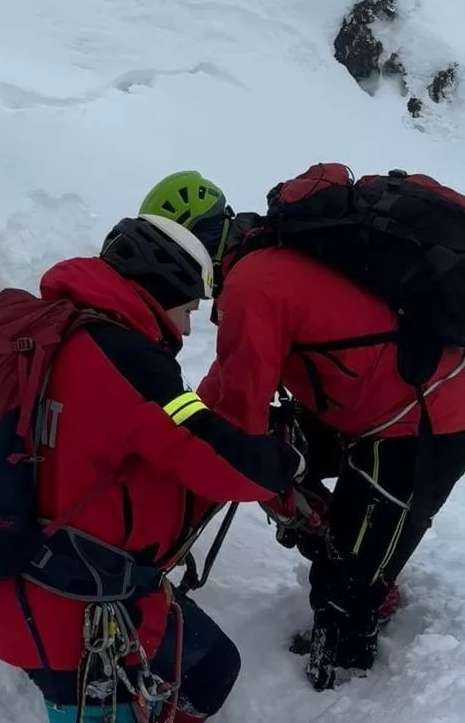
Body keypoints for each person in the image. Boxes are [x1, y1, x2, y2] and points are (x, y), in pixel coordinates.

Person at [0, 214, 304, 722]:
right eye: (187, 309)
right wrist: (286, 459)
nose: (184, 327)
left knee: (212, 666)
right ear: (158, 292)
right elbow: (216, 458)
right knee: (201, 673)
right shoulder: (127, 359)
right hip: (80, 606)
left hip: (53, 582)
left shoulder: (59, 330)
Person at [196, 165, 465, 690]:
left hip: (423, 420)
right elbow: (230, 382)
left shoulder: (251, 286)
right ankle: (342, 539)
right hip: (389, 406)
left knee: (348, 588)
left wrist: (195, 457)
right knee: (286, 460)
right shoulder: (271, 261)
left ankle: (342, 679)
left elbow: (239, 418)